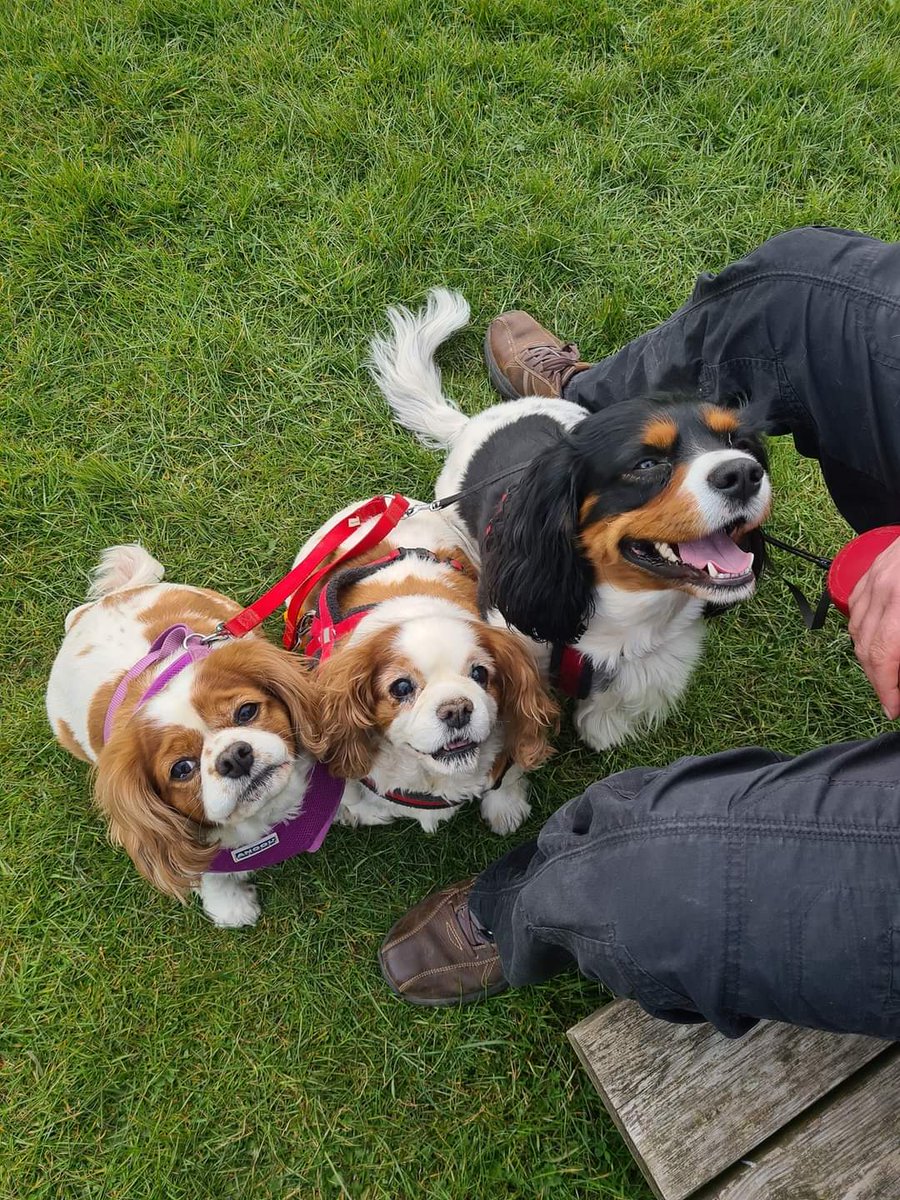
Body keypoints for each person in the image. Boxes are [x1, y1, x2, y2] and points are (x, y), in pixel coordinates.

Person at [378, 226, 900, 1039]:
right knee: (794, 281)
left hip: (640, 606)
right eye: (657, 462)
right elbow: (516, 580)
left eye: (731, 450)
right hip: (529, 527)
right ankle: (584, 390)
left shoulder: (685, 572)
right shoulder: (509, 607)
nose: (735, 468)